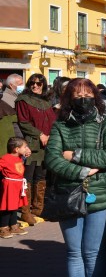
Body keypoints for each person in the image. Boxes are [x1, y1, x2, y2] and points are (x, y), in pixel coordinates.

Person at [43, 78, 106, 277]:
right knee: (74, 254)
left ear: (95, 97)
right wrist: (83, 171)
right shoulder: (60, 126)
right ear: (68, 98)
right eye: (77, 94)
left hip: (100, 196)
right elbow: (53, 159)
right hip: (68, 195)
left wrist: (74, 155)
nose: (83, 97)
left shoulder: (105, 123)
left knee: (94, 253)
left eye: (88, 92)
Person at [16, 73, 57, 225]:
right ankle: (25, 212)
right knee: (27, 178)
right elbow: (24, 122)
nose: (35, 86)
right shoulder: (23, 100)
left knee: (41, 177)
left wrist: (51, 136)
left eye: (39, 83)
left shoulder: (47, 102)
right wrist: (40, 134)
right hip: (31, 144)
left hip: (47, 145)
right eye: (32, 83)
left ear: (43, 85)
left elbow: (53, 121)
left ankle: (38, 208)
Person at [0, 137, 31, 239]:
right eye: (24, 147)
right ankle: (3, 228)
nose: (26, 148)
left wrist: (25, 156)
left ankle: (14, 226)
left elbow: (18, 166)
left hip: (18, 185)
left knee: (14, 206)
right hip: (9, 185)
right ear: (16, 149)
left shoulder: (19, 158)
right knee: (7, 207)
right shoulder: (5, 158)